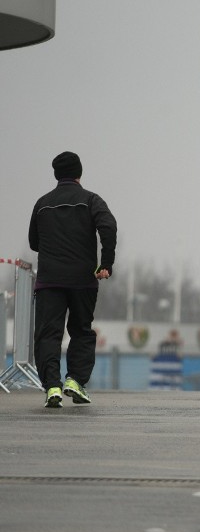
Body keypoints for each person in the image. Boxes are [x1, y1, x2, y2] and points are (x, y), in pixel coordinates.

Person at [29, 151, 117, 408]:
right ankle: (75, 381)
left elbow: (34, 243)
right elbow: (108, 226)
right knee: (81, 330)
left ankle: (52, 386)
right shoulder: (91, 200)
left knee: (48, 334)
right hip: (82, 280)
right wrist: (106, 263)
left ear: (56, 175)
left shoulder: (42, 203)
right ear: (80, 173)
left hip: (49, 281)